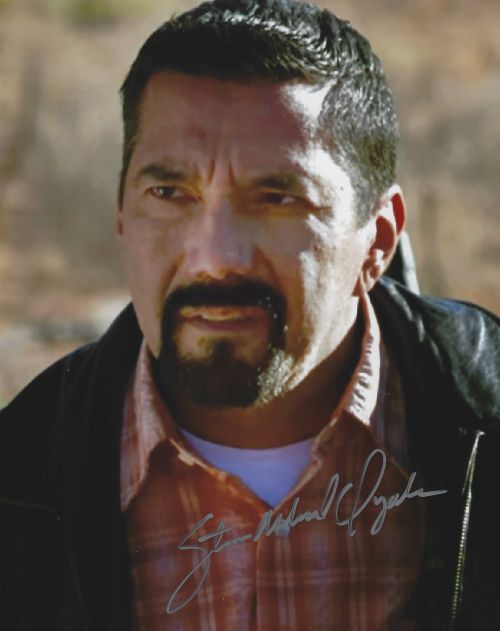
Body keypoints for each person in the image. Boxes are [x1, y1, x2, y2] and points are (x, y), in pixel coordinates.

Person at [0, 1, 498, 629]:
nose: (215, 257)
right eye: (169, 193)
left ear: (377, 240)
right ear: (122, 217)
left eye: (277, 197)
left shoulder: (483, 430)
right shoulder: (19, 482)